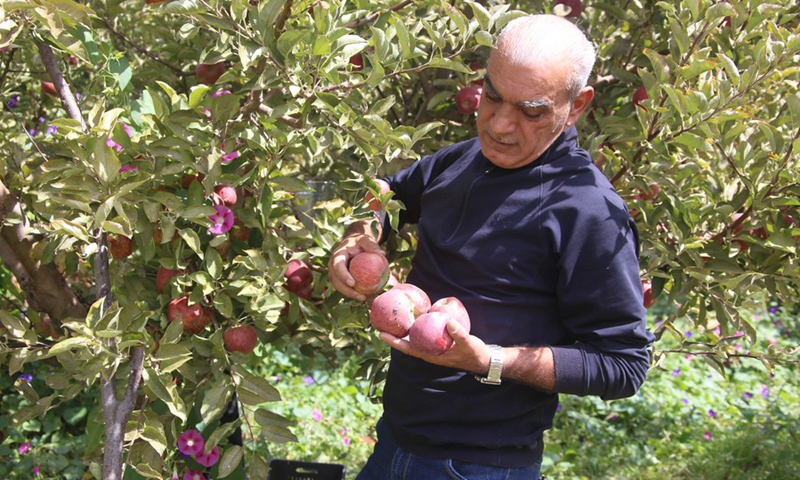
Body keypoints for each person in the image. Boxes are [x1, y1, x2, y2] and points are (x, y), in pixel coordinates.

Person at [328, 13, 654, 480]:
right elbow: (386, 193)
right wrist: (359, 235)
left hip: (480, 467)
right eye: (493, 96)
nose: (499, 125)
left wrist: (489, 360)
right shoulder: (464, 158)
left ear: (577, 105)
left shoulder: (588, 211)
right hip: (395, 443)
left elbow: (623, 364)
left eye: (532, 110)